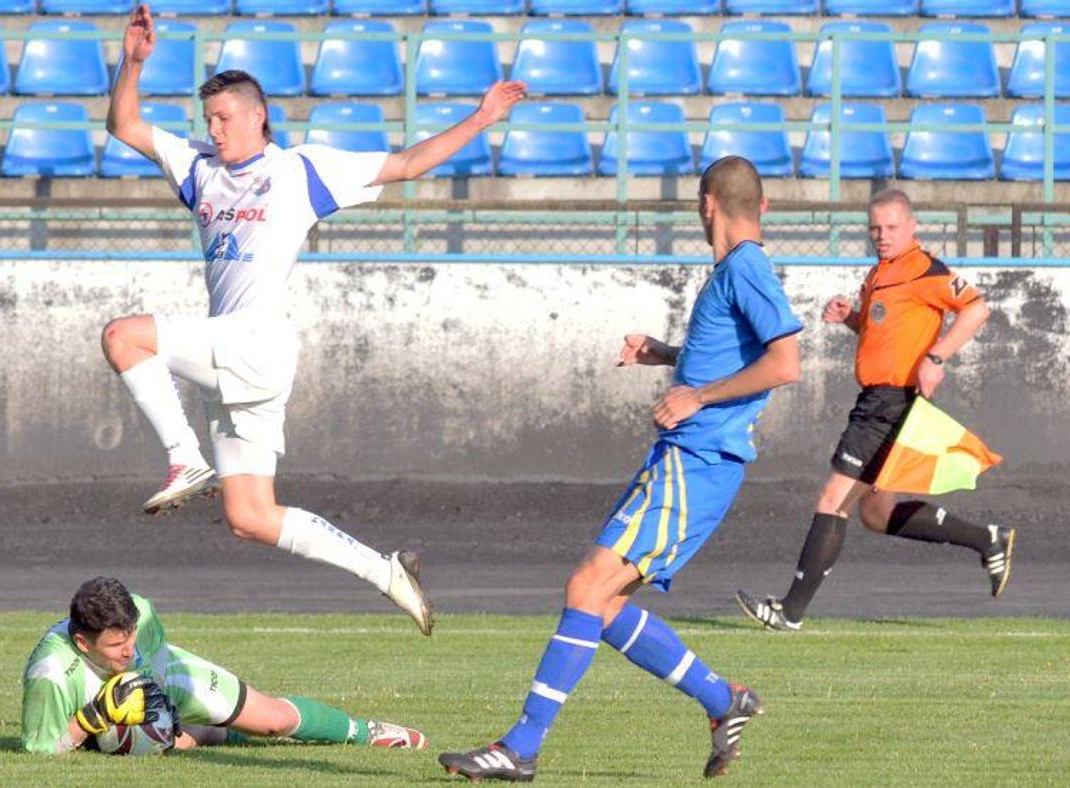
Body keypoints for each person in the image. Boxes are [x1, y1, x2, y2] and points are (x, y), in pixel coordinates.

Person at [102, 5, 527, 636]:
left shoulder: (300, 169)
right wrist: (133, 62)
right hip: (235, 357)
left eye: (224, 118)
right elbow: (125, 123)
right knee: (250, 516)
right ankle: (387, 572)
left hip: (256, 342)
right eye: (209, 120)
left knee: (123, 335)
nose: (215, 130)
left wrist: (484, 117)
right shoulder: (199, 169)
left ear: (257, 115)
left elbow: (407, 165)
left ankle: (183, 457)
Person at [437, 157, 803, 782]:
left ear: (706, 202)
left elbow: (786, 362)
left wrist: (696, 397)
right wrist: (666, 357)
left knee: (585, 589)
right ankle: (724, 701)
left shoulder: (746, 266)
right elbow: (729, 358)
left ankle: (521, 748)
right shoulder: (732, 271)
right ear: (759, 205)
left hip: (697, 461)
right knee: (599, 607)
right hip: (683, 460)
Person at [735, 188, 1010, 633]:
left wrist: (937, 357)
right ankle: (987, 539)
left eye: (891, 228)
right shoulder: (881, 272)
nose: (881, 236)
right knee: (876, 513)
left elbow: (977, 308)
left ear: (912, 226)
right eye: (875, 228)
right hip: (876, 401)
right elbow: (884, 330)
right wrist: (852, 318)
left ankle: (789, 611)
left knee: (833, 500)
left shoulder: (925, 269)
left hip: (890, 403)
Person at [21, 576, 427, 754]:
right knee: (136, 741)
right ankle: (219, 735)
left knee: (273, 721)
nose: (128, 650)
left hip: (167, 674)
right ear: (81, 642)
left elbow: (153, 652)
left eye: (130, 636)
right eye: (114, 644)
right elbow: (42, 751)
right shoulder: (51, 674)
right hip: (105, 724)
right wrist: (92, 719)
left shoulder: (140, 613)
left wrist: (151, 693)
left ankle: (362, 731)